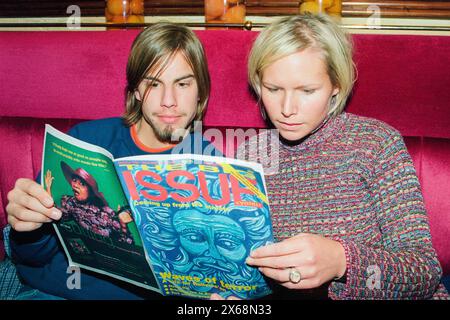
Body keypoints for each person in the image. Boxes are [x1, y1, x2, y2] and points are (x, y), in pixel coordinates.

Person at [226, 14, 449, 300]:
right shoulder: (251, 155)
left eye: (307, 90)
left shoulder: (375, 144)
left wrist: (342, 262)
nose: (286, 108)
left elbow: (423, 272)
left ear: (336, 86)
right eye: (273, 89)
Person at [5, 22, 219, 299]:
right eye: (154, 84)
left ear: (200, 90)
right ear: (137, 90)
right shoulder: (85, 141)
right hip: (56, 292)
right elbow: (31, 257)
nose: (170, 100)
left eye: (183, 84)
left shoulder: (212, 165)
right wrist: (27, 225)